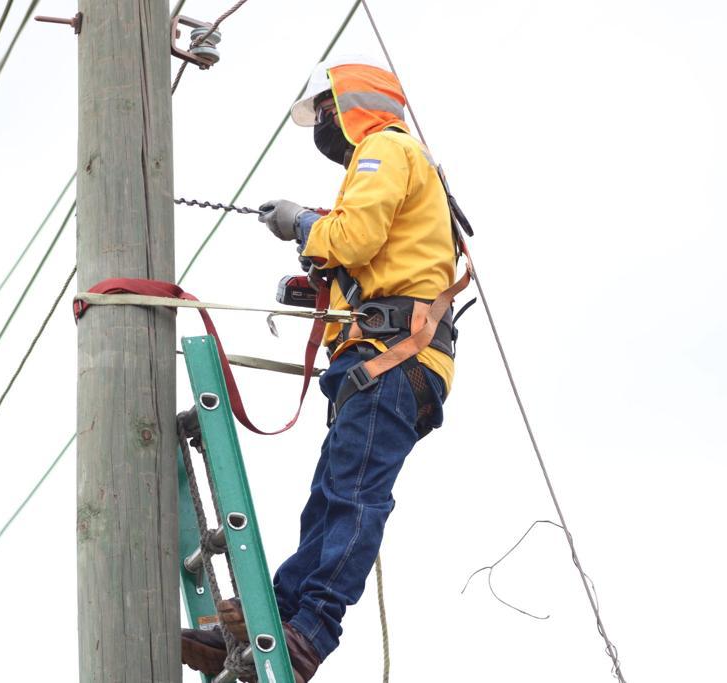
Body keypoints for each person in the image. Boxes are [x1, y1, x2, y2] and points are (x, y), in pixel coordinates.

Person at [181, 55, 459, 682]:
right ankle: (271, 617)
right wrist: (320, 287)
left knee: (350, 497)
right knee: (331, 500)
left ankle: (308, 633)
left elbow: (355, 237)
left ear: (348, 106)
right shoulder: (400, 165)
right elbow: (385, 259)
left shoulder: (384, 150)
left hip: (394, 360)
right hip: (385, 356)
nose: (322, 129)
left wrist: (304, 223)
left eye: (325, 113)